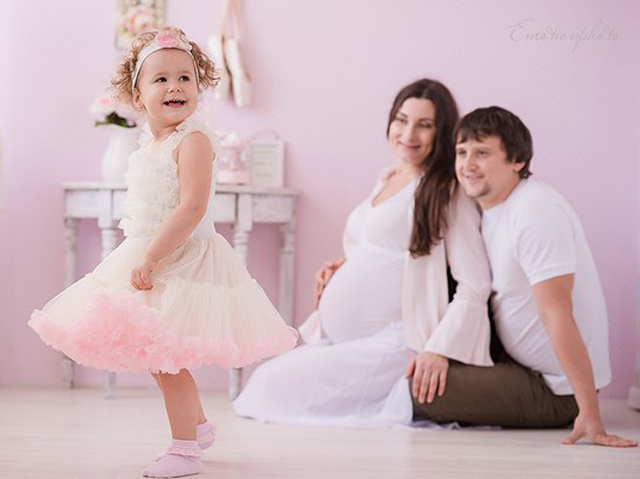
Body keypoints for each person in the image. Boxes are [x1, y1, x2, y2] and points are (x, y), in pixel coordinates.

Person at [28, 27, 298, 478]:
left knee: (167, 358)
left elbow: (192, 207)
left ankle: (185, 450)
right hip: (151, 253)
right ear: (138, 96)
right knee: (159, 357)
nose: (175, 86)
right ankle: (199, 426)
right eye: (161, 79)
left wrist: (151, 256)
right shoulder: (150, 143)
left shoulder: (193, 140)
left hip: (183, 257)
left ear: (198, 86)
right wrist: (146, 254)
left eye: (185, 78)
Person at [233, 79, 493, 428]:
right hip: (349, 337)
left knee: (268, 387)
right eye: (402, 120)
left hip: (398, 341)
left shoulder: (447, 191)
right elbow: (379, 248)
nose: (408, 133)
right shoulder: (388, 176)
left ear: (441, 131)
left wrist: (439, 349)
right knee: (265, 382)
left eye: (424, 125)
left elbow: (475, 283)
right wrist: (341, 267)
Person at [413, 106, 637, 448]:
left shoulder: (534, 210)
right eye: (462, 152)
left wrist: (589, 412)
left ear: (517, 160)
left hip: (554, 388)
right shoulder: (493, 207)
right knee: (417, 359)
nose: (467, 164)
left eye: (482, 153)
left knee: (419, 390)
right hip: (519, 364)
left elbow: (557, 314)